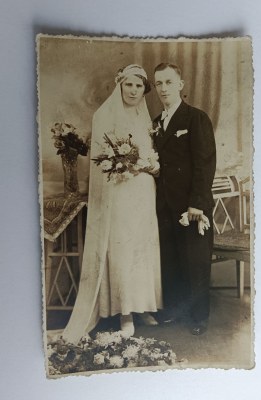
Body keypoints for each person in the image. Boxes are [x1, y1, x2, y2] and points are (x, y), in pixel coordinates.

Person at [62, 64, 162, 344]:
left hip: (144, 191)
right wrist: (123, 165)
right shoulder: (104, 115)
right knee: (123, 247)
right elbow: (102, 161)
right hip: (119, 193)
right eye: (129, 85)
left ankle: (143, 306)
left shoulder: (145, 117)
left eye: (139, 86)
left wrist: (151, 166)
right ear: (120, 85)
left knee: (143, 246)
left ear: (144, 89)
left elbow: (151, 153)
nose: (133, 91)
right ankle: (124, 313)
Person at [153, 63, 216, 335]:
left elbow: (205, 164)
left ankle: (198, 317)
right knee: (171, 259)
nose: (163, 88)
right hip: (165, 203)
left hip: (191, 204)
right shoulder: (156, 122)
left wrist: (197, 203)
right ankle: (177, 310)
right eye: (159, 84)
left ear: (181, 84)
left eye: (169, 82)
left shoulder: (195, 118)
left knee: (195, 260)